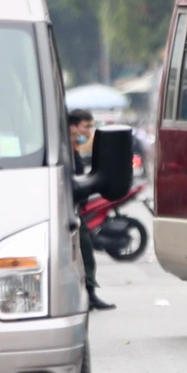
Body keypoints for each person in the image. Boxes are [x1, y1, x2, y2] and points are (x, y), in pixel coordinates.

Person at [68, 108, 113, 312]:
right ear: (73, 126)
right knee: (84, 249)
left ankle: (88, 293)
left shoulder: (72, 146)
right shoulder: (61, 147)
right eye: (86, 126)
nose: (89, 130)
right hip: (65, 208)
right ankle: (89, 294)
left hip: (74, 207)